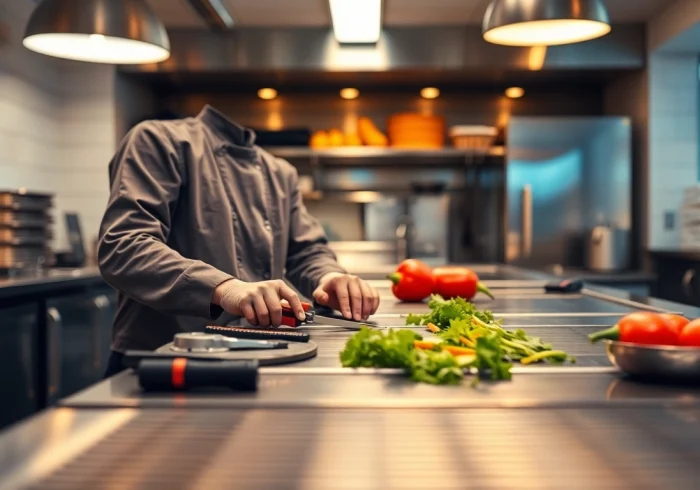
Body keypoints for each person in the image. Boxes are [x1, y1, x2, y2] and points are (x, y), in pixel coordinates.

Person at [98, 105, 380, 376]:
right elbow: (124, 245)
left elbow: (306, 251)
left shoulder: (280, 172)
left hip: (254, 356)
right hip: (160, 363)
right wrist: (224, 288)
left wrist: (327, 275)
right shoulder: (156, 140)